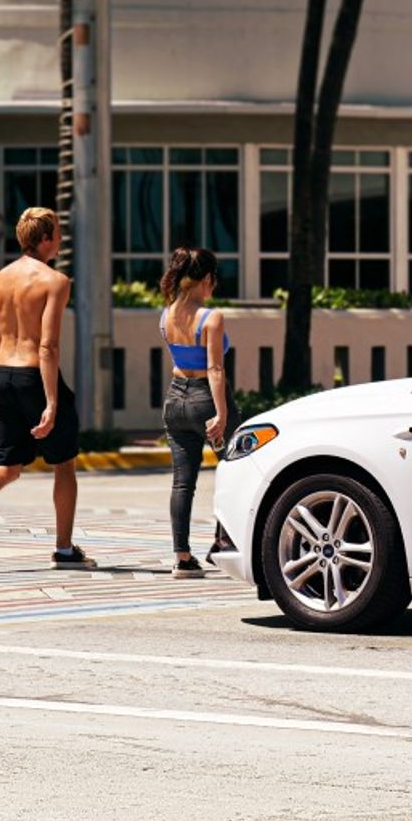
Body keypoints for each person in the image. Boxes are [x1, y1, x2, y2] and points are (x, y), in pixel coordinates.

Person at [0, 207, 95, 573]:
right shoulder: (55, 281)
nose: (60, 238)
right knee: (64, 465)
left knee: (8, 466)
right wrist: (52, 402)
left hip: (5, 375)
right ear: (44, 239)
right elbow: (48, 347)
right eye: (56, 232)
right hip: (35, 377)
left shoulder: (0, 279)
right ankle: (64, 549)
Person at [159, 246, 236, 579]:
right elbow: (215, 368)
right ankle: (224, 543)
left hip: (175, 401)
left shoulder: (167, 315)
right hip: (206, 400)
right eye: (213, 281)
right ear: (206, 278)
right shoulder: (211, 317)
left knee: (182, 483)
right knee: (236, 471)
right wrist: (221, 414)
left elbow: (181, 361)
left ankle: (182, 557)